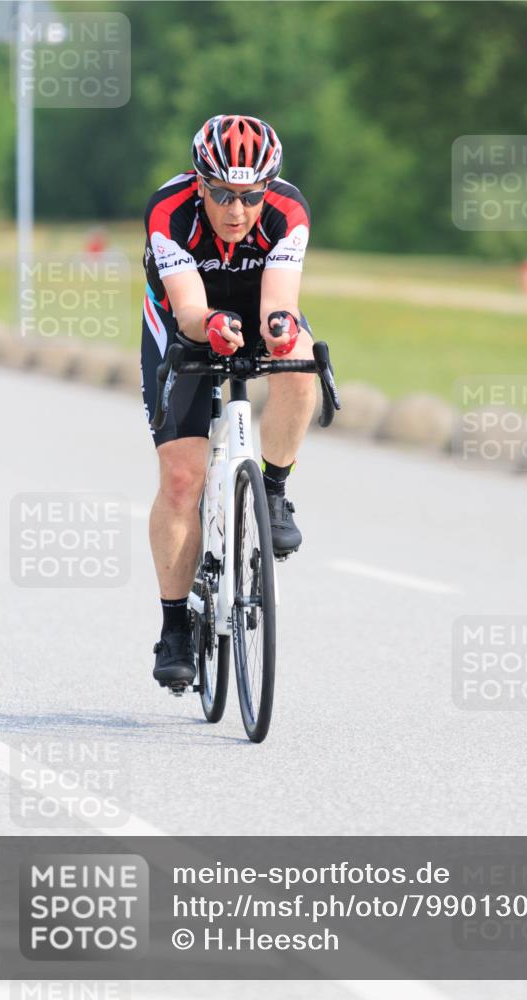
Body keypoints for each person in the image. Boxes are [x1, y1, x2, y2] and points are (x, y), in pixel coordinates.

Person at [140, 114, 317, 688]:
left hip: (256, 306)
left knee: (301, 361)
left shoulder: (288, 211)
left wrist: (281, 332)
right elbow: (189, 307)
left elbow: (279, 299)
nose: (237, 210)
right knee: (181, 479)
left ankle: (274, 490)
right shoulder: (169, 212)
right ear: (199, 184)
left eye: (250, 196)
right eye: (221, 195)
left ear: (268, 188)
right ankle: (174, 626)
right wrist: (210, 324)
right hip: (186, 321)